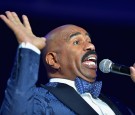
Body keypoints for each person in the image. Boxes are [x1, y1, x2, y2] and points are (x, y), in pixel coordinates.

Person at [0, 11, 135, 115]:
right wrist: (30, 48)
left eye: (89, 40)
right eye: (76, 42)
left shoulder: (118, 104)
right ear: (53, 60)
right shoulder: (40, 99)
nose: (91, 46)